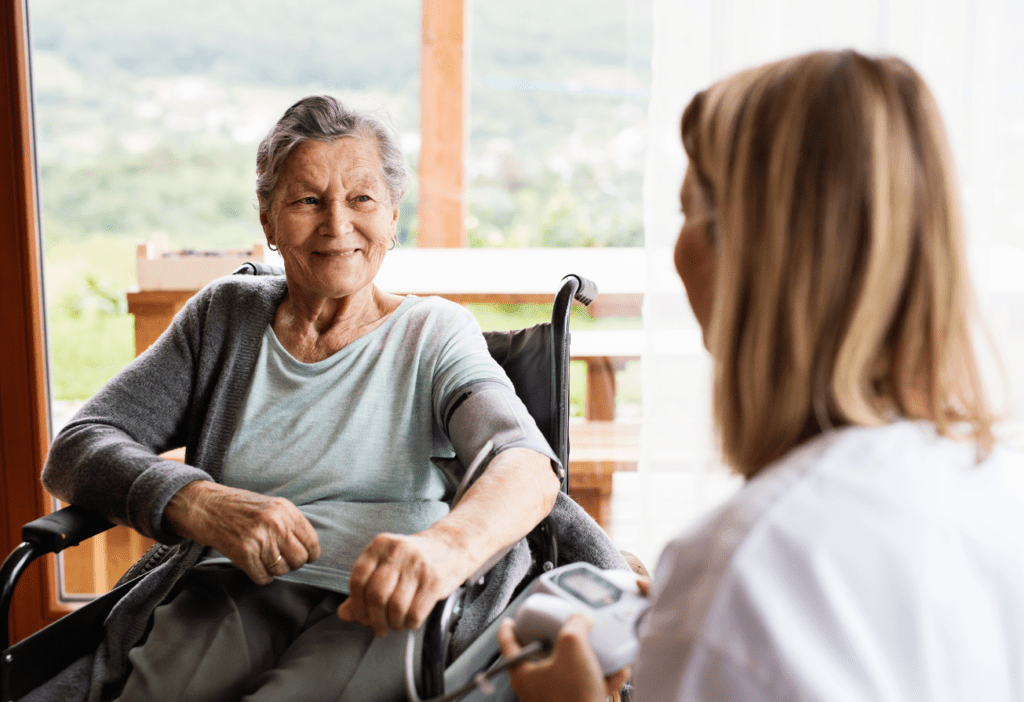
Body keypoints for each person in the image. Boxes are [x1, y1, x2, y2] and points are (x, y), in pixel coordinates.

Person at [35, 95, 623, 702]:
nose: (337, 225)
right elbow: (79, 445)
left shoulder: (433, 333)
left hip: (381, 599)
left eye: (362, 199)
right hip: (229, 584)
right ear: (268, 220)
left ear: (393, 216)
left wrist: (445, 551)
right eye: (307, 200)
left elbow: (522, 464)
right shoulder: (223, 318)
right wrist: (197, 501)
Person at [498, 49, 1024, 701]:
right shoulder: (993, 484)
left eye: (688, 210)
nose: (677, 250)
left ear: (749, 251)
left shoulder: (745, 566)